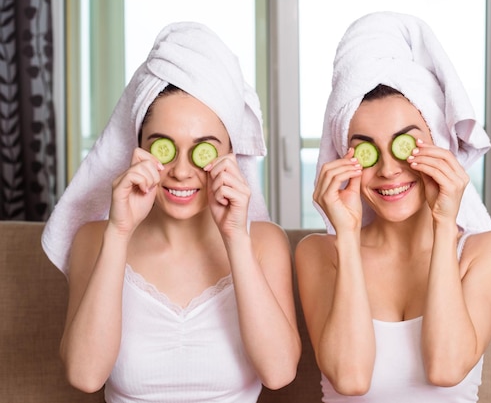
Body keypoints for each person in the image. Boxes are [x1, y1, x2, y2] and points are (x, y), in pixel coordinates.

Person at [41, 22, 301, 402]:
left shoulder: (263, 243)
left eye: (203, 150)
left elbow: (278, 373)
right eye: (164, 147)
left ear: (229, 156)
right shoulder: (95, 238)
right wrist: (117, 232)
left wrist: (234, 238)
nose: (181, 170)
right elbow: (85, 375)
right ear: (139, 149)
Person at [295, 11, 491, 402]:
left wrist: (445, 221)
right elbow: (350, 378)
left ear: (440, 146)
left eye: (407, 145)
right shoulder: (318, 254)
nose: (387, 169)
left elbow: (446, 368)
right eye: (366, 150)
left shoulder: (485, 251)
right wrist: (346, 237)